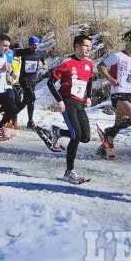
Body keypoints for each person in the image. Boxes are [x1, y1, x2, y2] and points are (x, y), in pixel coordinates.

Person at [47, 35, 94, 185]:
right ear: (77, 47)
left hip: (80, 103)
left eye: (90, 46)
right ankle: (69, 171)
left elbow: (89, 79)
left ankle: (58, 132)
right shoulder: (67, 63)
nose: (89, 48)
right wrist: (59, 100)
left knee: (85, 137)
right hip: (68, 102)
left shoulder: (89, 64)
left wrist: (89, 96)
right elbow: (50, 82)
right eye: (86, 46)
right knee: (76, 134)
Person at [95, 31, 131, 158]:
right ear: (128, 43)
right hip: (118, 93)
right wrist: (110, 79)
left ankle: (103, 150)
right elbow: (100, 66)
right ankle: (109, 132)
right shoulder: (117, 56)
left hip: (127, 93)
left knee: (119, 123)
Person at [15, 36, 48, 129]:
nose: (35, 47)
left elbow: (46, 66)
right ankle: (29, 120)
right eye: (33, 45)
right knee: (32, 97)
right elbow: (12, 54)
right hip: (23, 79)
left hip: (33, 80)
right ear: (29, 45)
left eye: (37, 45)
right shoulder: (24, 51)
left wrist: (42, 66)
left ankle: (16, 115)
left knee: (26, 101)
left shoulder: (40, 53)